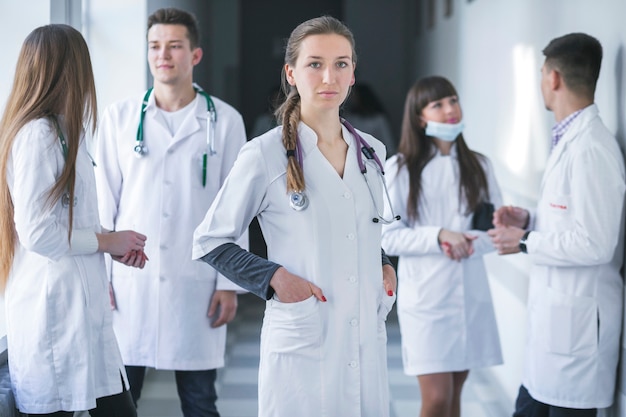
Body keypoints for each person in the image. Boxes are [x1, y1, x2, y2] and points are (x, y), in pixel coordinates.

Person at [192, 15, 397, 417]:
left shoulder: (371, 152)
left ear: (353, 73)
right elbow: (210, 240)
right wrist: (273, 279)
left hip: (364, 338)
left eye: (341, 64)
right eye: (315, 63)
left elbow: (362, 231)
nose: (329, 77)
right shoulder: (264, 154)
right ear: (291, 72)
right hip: (305, 335)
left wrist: (384, 264)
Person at [94, 7, 247, 417]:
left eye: (174, 46)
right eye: (155, 46)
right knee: (119, 402)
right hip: (130, 284)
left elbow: (236, 209)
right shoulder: (119, 118)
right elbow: (104, 203)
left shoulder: (225, 121)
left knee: (200, 402)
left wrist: (229, 284)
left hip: (195, 281)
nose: (163, 55)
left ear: (194, 55)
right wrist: (101, 277)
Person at [0, 24, 146, 417]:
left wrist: (113, 240)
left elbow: (68, 215)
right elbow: (38, 233)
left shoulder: (65, 132)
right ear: (69, 69)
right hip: (54, 314)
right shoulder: (37, 136)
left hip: (79, 312)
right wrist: (105, 242)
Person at [488, 33, 625, 417]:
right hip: (554, 337)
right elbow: (576, 217)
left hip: (577, 341)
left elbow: (596, 243)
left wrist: (526, 239)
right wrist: (530, 220)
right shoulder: (572, 140)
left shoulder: (593, 148)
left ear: (553, 79)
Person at [381, 76, 503, 417]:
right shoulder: (401, 169)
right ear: (420, 118)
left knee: (453, 399)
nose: (449, 109)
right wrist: (439, 236)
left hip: (470, 296)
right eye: (437, 105)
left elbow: (497, 230)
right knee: (435, 398)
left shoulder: (479, 165)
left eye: (452, 100)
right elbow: (388, 236)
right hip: (428, 300)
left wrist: (468, 242)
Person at [342, 82, 396, 156]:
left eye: (355, 97)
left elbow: (388, 145)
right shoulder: (350, 118)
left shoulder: (378, 119)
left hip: (373, 157)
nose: (353, 100)